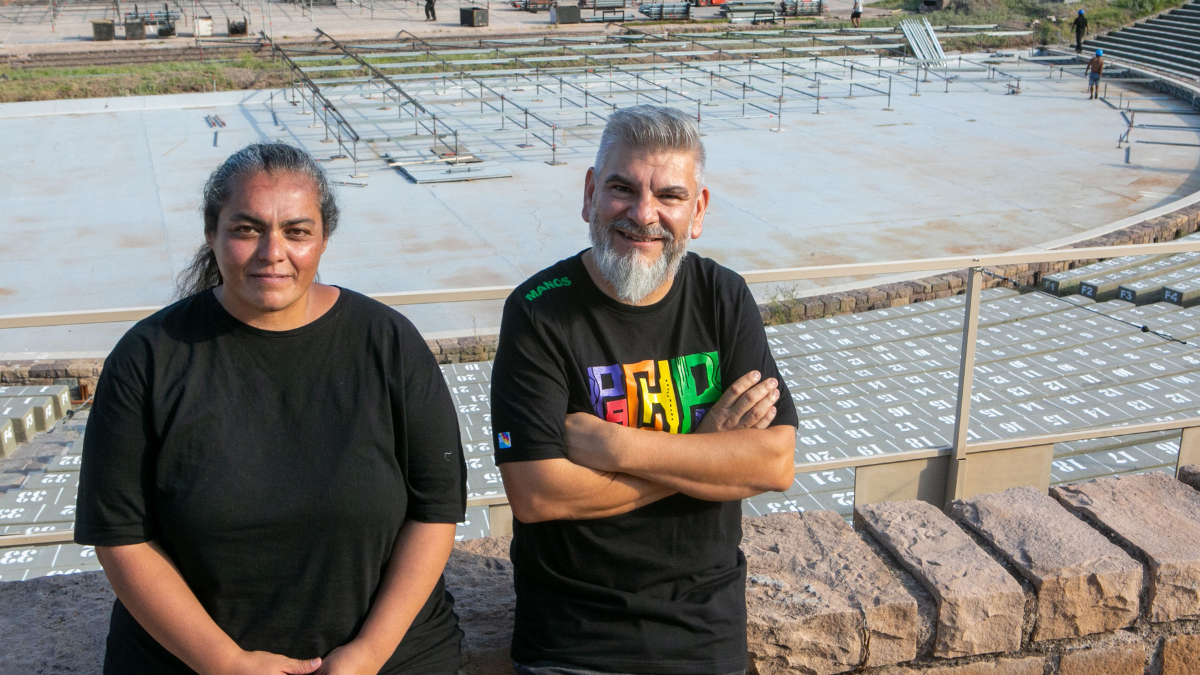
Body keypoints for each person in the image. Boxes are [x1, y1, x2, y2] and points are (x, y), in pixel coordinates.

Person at [75, 143, 468, 675]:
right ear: (211, 234)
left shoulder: (389, 343)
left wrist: (369, 653)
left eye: (296, 231)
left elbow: (435, 511)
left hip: (388, 657)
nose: (272, 251)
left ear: (324, 238)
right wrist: (223, 662)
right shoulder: (147, 358)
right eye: (246, 229)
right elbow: (121, 537)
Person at [490, 105, 799, 675]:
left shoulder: (722, 297)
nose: (643, 214)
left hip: (704, 635)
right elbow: (538, 494)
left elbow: (774, 463)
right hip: (573, 642)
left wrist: (616, 447)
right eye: (621, 189)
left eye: (670, 196)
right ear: (589, 194)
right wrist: (709, 453)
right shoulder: (539, 311)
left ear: (698, 210)